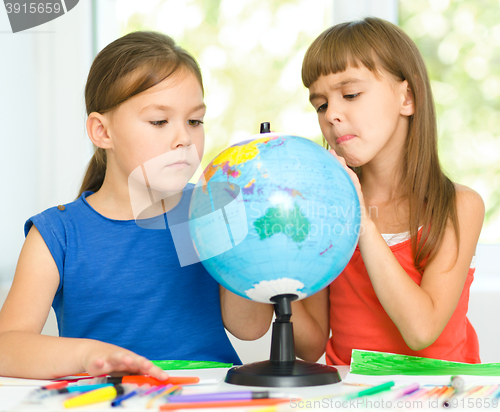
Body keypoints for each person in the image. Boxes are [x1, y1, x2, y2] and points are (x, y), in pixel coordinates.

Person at [0, 31, 271, 380]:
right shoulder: (59, 234)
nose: (184, 139)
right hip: (110, 399)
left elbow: (251, 328)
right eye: (159, 121)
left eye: (195, 121)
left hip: (207, 398)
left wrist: (245, 238)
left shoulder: (208, 212)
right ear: (102, 132)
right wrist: (88, 354)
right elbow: (6, 347)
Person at [300, 17, 484, 365]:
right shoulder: (325, 211)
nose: (332, 114)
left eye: (350, 94)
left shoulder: (458, 206)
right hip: (350, 396)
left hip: (438, 395)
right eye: (321, 104)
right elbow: (309, 346)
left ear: (407, 98)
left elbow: (421, 330)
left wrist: (361, 220)